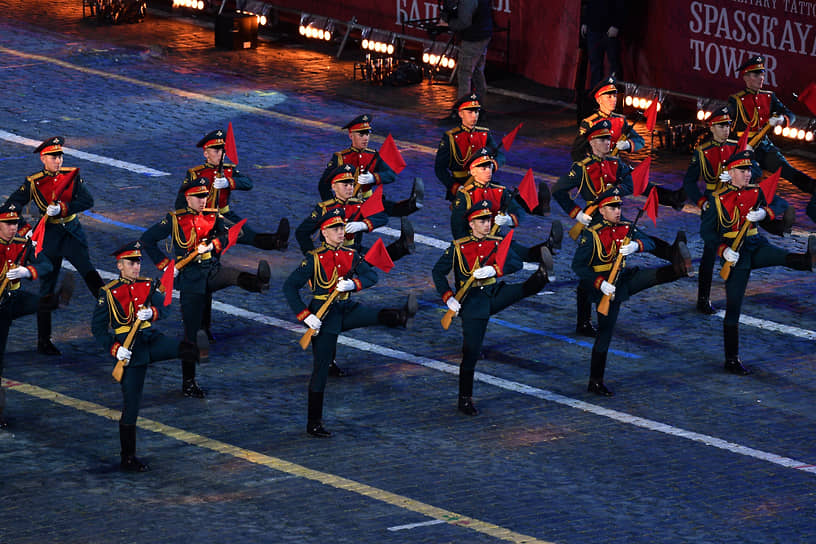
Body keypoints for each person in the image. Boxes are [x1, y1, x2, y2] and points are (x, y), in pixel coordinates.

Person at [282, 207, 418, 438]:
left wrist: (354, 285)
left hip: (347, 307)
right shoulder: (314, 259)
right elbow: (289, 287)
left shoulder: (351, 254)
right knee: (321, 369)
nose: (340, 232)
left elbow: (371, 275)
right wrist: (305, 316)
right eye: (335, 229)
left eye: (341, 227)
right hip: (324, 315)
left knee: (373, 315)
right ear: (324, 233)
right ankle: (313, 422)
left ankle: (400, 316)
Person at [554, 120, 690, 336]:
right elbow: (558, 191)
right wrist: (576, 213)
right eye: (602, 139)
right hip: (595, 221)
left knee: (639, 237)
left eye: (609, 138)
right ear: (591, 142)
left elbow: (633, 182)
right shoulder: (581, 169)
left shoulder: (616, 164)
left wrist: (616, 190)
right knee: (591, 268)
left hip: (613, 214)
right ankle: (584, 321)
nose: (607, 142)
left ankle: (674, 255)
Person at [141, 176, 271, 398]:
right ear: (187, 198)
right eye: (199, 197)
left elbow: (233, 233)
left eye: (205, 196)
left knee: (232, 275)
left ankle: (259, 283)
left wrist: (213, 244)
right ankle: (188, 382)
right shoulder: (174, 220)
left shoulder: (212, 215)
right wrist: (165, 266)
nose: (203, 201)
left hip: (210, 271)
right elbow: (147, 240)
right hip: (190, 279)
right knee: (190, 333)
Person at [432, 200, 553, 415]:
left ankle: (541, 277)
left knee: (522, 289)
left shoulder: (497, 242)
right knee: (471, 353)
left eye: (488, 220)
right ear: (471, 224)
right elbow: (437, 272)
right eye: (481, 221)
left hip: (493, 293)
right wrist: (448, 297)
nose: (487, 224)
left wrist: (494, 270)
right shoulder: (458, 247)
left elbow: (515, 263)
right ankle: (465, 398)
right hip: (471, 303)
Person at [701, 150, 815, 375]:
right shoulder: (717, 200)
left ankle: (807, 260)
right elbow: (707, 233)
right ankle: (731, 359)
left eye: (749, 169)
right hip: (735, 254)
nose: (748, 173)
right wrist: (723, 251)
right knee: (734, 307)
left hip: (756, 245)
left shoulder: (756, 192)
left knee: (782, 256)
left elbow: (781, 203)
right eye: (742, 170)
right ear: (731, 172)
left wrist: (765, 212)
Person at [92, 241, 201, 471]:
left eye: (138, 262)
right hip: (130, 352)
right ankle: (128, 458)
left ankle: (199, 355)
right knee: (131, 405)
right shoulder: (108, 293)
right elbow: (98, 329)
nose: (136, 267)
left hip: (152, 340)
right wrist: (115, 349)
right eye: (131, 263)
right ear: (120, 265)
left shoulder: (149, 284)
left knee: (184, 348)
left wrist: (153, 312)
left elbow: (167, 306)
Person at [571, 190, 691, 396]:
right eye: (612, 207)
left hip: (623, 278)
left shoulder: (626, 227)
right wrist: (600, 284)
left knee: (652, 277)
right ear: (602, 210)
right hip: (603, 287)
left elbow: (651, 242)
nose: (618, 211)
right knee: (605, 333)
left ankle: (680, 267)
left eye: (619, 207)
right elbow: (579, 266)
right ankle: (595, 381)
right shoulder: (592, 234)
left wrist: (637, 245)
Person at [177, 129, 288, 342]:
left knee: (245, 236)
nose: (220, 153)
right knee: (205, 277)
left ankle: (276, 242)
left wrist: (229, 183)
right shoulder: (194, 174)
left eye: (222, 149)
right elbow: (180, 204)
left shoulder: (227, 170)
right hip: (204, 225)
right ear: (206, 152)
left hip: (224, 217)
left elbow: (248, 183)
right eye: (215, 149)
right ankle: (202, 329)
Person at [682, 107, 793, 315]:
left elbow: (756, 170)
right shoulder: (703, 151)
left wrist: (741, 171)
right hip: (716, 203)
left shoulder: (737, 146)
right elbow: (689, 181)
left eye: (728, 125)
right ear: (712, 127)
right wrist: (701, 201)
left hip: (741, 199)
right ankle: (703, 298)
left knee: (749, 237)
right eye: (721, 126)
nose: (726, 129)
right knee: (710, 250)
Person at [6, 136, 104, 356]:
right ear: (43, 158)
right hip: (48, 236)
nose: (57, 160)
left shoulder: (72, 176)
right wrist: (25, 230)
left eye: (59, 156)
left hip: (71, 232)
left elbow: (87, 201)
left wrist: (63, 207)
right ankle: (44, 340)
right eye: (53, 157)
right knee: (47, 286)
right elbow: (11, 207)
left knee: (90, 275)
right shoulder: (33, 182)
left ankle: (115, 321)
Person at [726, 55, 816, 224]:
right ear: (745, 77)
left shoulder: (769, 97)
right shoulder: (736, 101)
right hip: (746, 149)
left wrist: (782, 120)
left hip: (764, 147)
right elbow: (725, 129)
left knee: (787, 171)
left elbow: (791, 115)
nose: (761, 77)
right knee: (749, 183)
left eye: (762, 74)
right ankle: (766, 216)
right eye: (755, 74)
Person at [0, 202, 62, 428]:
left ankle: (56, 300)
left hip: (14, 298)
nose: (12, 228)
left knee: (44, 304)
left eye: (15, 223)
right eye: (7, 224)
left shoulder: (23, 244)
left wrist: (27, 271)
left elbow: (46, 264)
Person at [450, 148, 562, 260]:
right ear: (473, 171)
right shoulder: (465, 195)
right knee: (513, 259)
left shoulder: (499, 190)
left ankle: (550, 247)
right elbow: (457, 227)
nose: (488, 172)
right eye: (483, 169)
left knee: (524, 253)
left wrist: (510, 219)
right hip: (475, 241)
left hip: (495, 237)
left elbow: (518, 210)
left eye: (489, 167)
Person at [299, 164, 414, 263]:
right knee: (367, 261)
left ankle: (401, 246)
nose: (349, 188)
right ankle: (401, 247)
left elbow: (382, 217)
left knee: (367, 259)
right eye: (345, 185)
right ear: (334, 187)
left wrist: (362, 225)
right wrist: (313, 258)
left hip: (352, 250)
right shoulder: (324, 209)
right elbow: (302, 232)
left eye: (351, 185)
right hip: (334, 255)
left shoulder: (359, 204)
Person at [317, 115, 423, 219]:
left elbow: (391, 175)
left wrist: (373, 177)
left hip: (366, 201)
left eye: (367, 134)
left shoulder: (373, 156)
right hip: (346, 205)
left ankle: (411, 206)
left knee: (390, 208)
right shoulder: (341, 158)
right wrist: (333, 207)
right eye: (361, 134)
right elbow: (323, 185)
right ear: (351, 135)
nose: (366, 138)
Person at [436, 0, 493, 102]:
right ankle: (479, 105)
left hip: (474, 37)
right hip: (483, 33)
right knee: (476, 70)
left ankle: (464, 111)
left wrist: (448, 23)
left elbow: (464, 22)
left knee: (464, 73)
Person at [580, 0, 624, 89]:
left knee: (614, 66)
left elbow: (622, 3)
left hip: (610, 29)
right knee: (595, 66)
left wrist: (616, 25)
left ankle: (613, 96)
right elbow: (587, 3)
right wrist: (585, 21)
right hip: (593, 28)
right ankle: (594, 97)